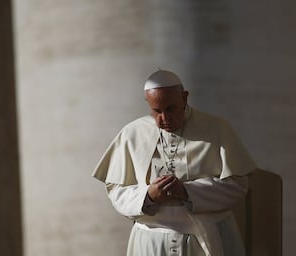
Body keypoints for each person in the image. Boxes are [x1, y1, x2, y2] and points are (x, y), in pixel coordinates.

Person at [92, 69, 256, 256]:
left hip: (206, 237)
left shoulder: (217, 128)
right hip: (151, 242)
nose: (164, 119)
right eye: (156, 111)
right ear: (148, 104)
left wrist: (188, 192)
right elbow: (116, 191)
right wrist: (148, 195)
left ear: (184, 98)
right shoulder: (132, 133)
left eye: (170, 108)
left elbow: (237, 186)